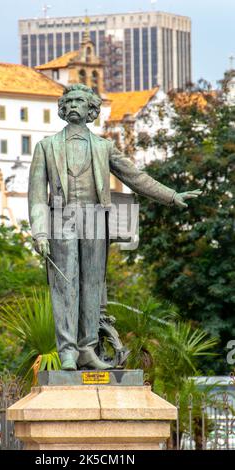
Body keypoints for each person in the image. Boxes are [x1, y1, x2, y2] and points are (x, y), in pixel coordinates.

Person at [28, 84, 201, 371]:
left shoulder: (104, 147)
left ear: (91, 109)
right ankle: (68, 351)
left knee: (93, 286)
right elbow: (35, 195)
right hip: (61, 218)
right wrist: (40, 232)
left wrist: (172, 196)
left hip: (96, 218)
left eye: (80, 101)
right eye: (68, 100)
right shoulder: (46, 147)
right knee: (65, 286)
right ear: (62, 108)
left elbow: (136, 177)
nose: (73, 104)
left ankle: (87, 349)